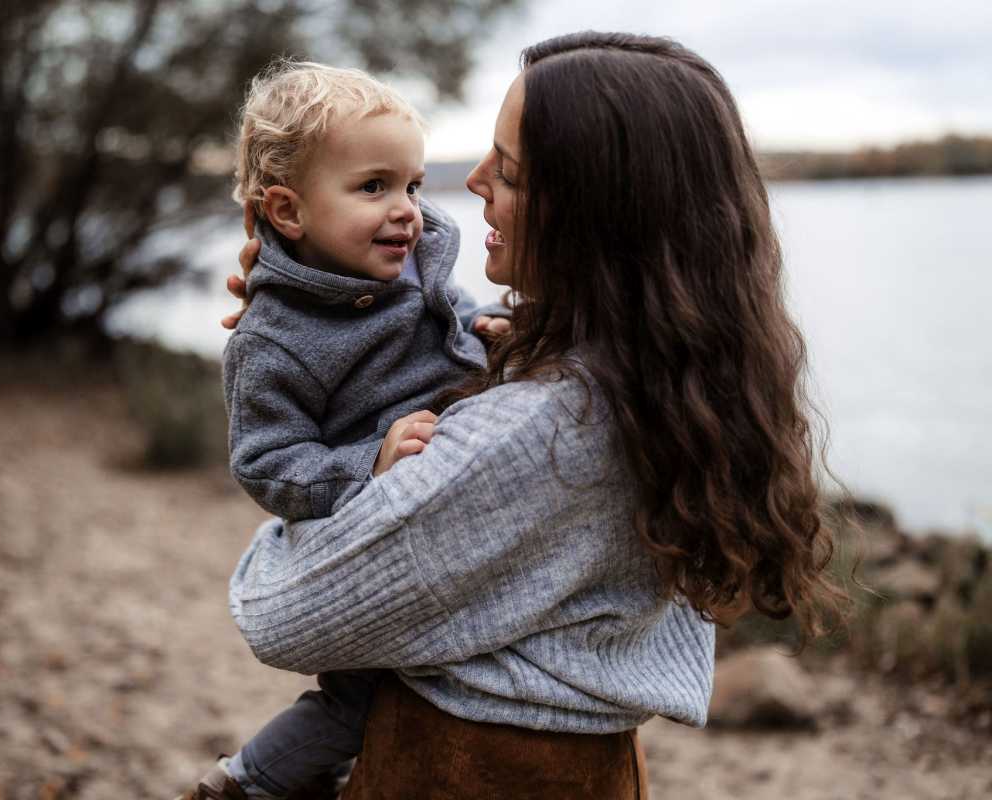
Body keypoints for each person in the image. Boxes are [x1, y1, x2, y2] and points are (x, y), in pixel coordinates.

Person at [217, 30, 844, 799]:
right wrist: (313, 304)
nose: (473, 182)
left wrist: (280, 539)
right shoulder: (661, 380)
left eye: (508, 170)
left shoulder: (536, 431)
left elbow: (279, 615)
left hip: (471, 773)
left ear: (592, 209)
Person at [181, 62, 510, 800]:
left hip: (458, 498)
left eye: (413, 186)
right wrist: (370, 463)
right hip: (373, 536)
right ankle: (247, 783)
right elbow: (267, 463)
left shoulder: (419, 260)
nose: (407, 211)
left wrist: (496, 330)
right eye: (373, 188)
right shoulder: (274, 342)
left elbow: (459, 318)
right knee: (356, 701)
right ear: (290, 212)